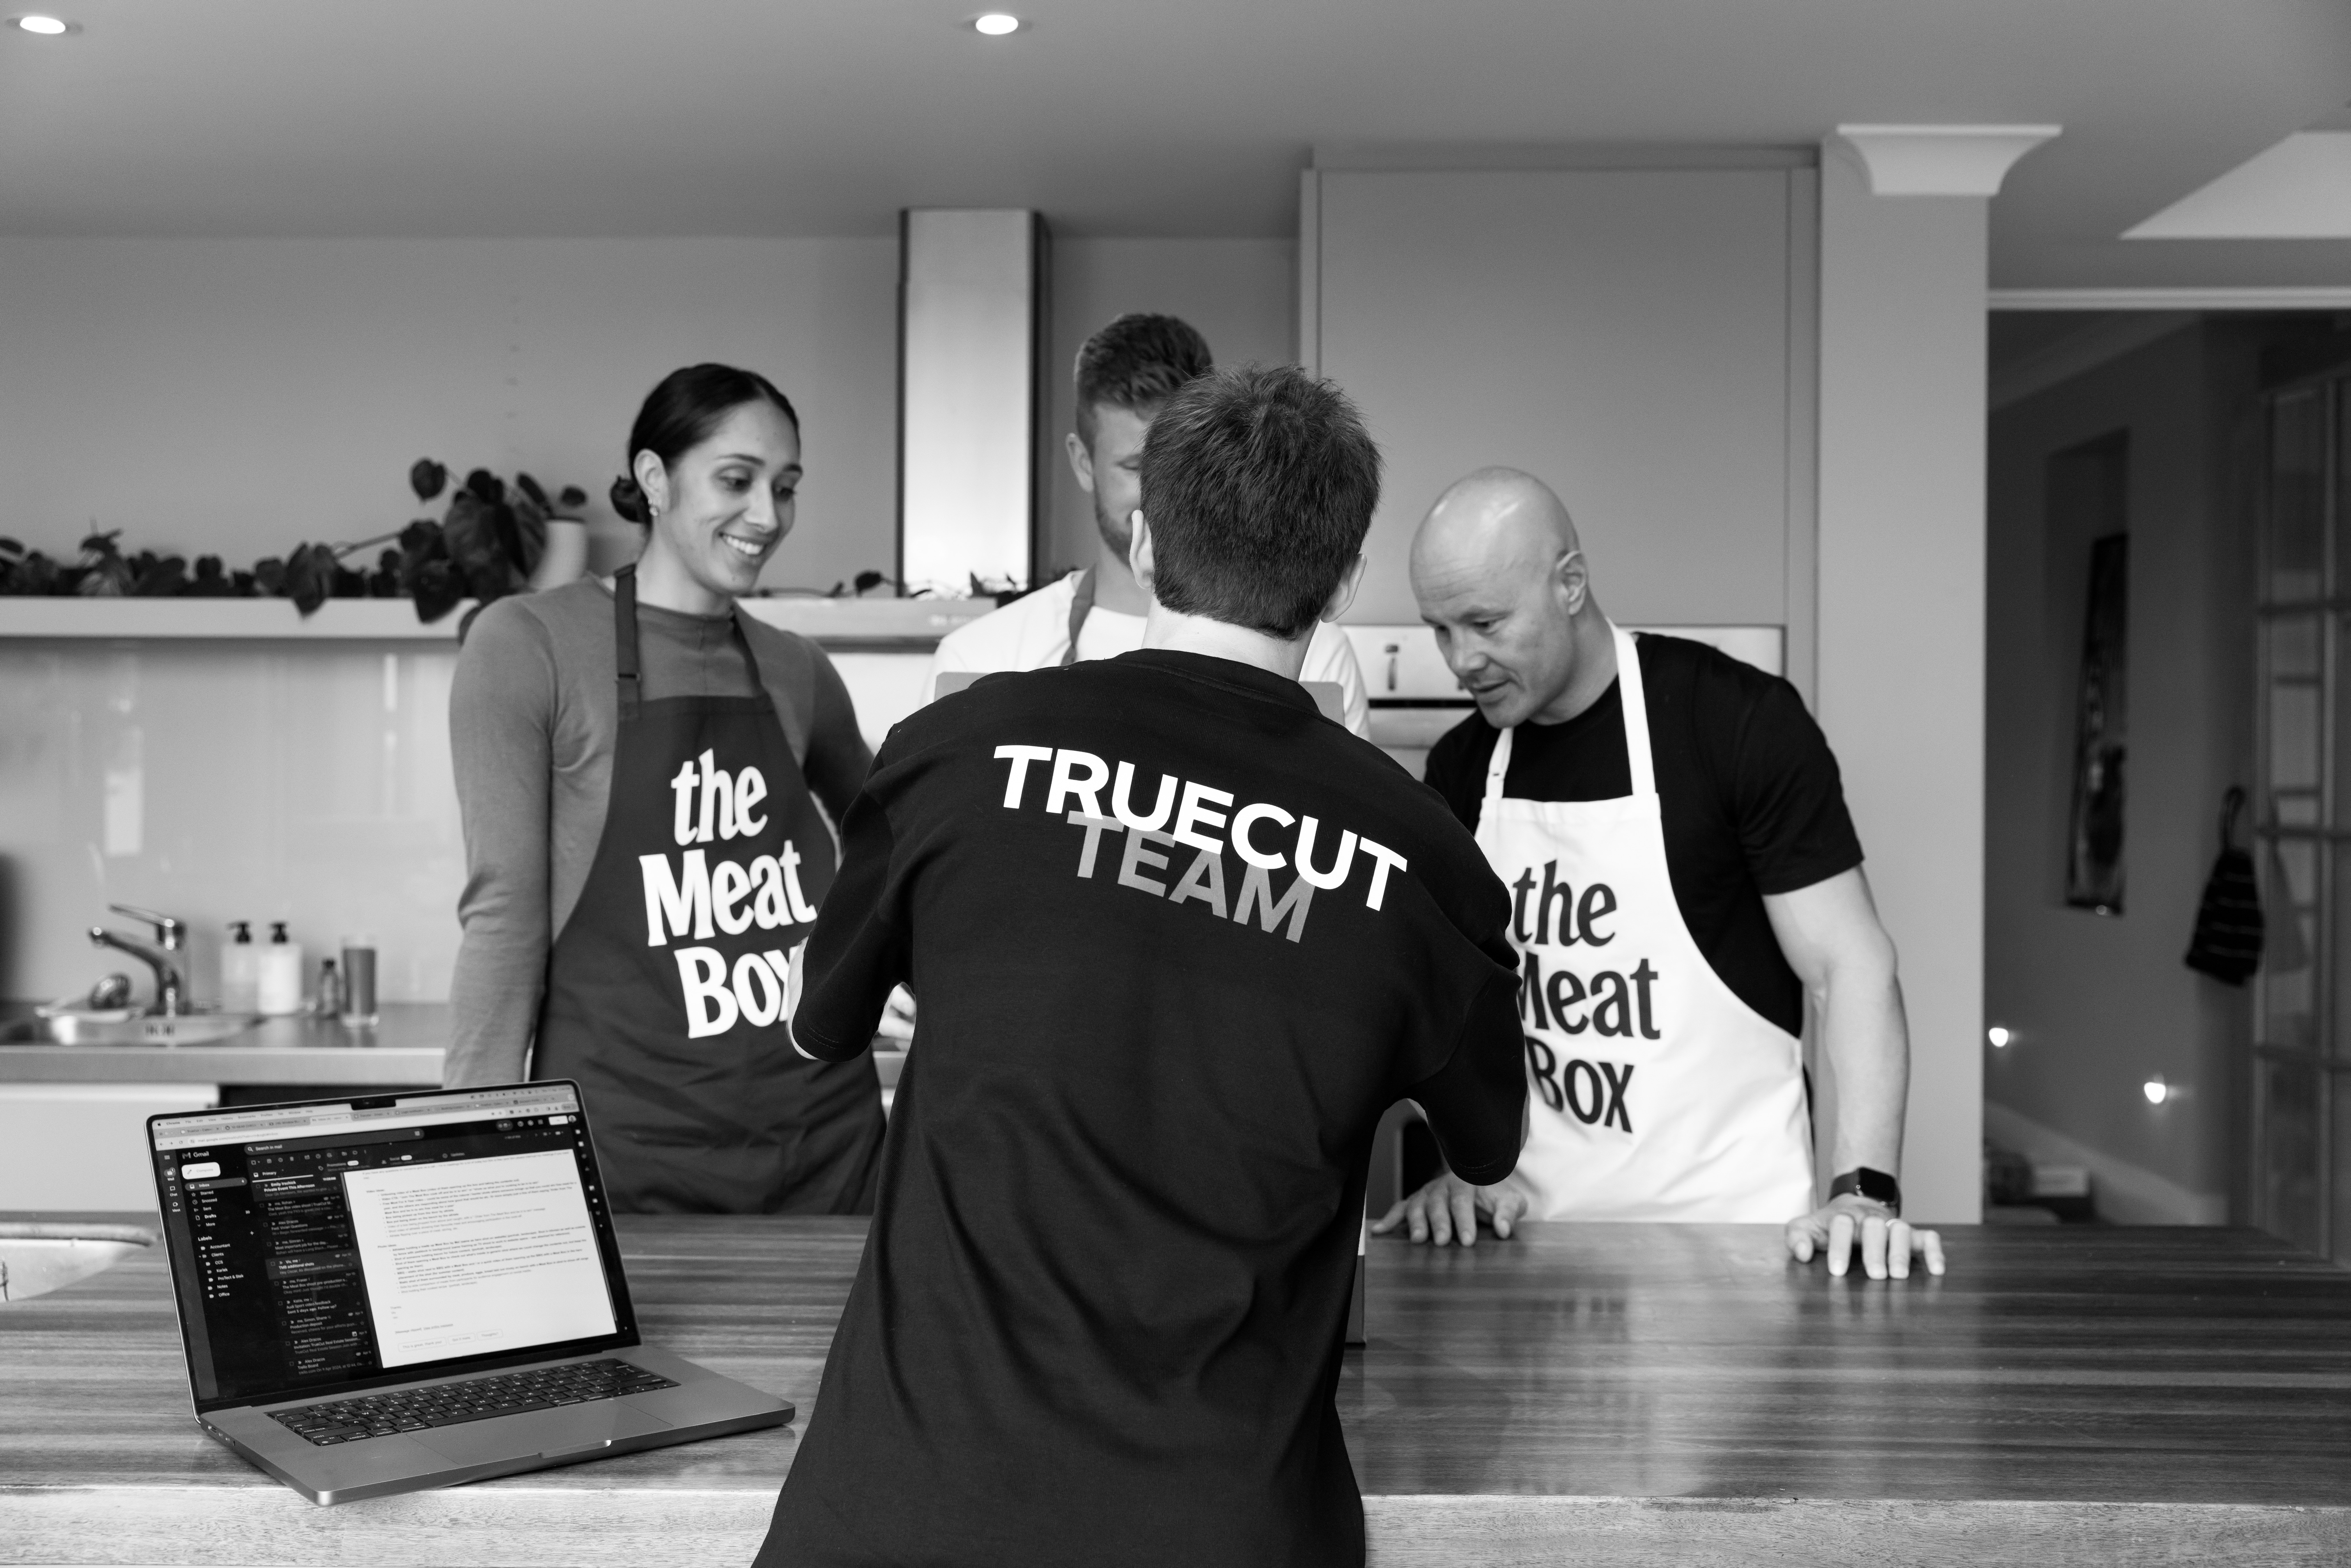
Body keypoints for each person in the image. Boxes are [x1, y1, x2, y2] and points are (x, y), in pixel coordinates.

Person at [754, 367, 1526, 1568]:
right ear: (1342, 578)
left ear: (1148, 541)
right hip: (1219, 1530)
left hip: (907, 1511)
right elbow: (1486, 1148)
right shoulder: (1423, 857)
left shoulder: (953, 754)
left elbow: (823, 1026)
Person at [1376, 467, 1944, 1281]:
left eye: (1486, 623)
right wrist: (1464, 1173)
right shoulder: (1466, 767)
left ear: (1570, 585)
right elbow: (1447, 1006)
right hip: (1536, 1257)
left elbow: (1849, 965)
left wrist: (1863, 1191)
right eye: (1440, 630)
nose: (1462, 659)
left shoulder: (1736, 722)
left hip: (1742, 1251)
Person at [446, 363, 884, 1215]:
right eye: (737, 480)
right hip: (631, 1156)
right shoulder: (528, 644)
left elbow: (898, 840)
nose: (768, 516)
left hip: (826, 1147)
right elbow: (504, 916)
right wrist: (473, 1159)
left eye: (786, 488)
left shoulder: (799, 670)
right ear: (654, 478)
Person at [928, 312, 1372, 738]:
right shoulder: (982, 655)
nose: (1159, 494)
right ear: (1083, 463)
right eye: (1137, 466)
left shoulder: (1317, 654)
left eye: (1181, 467)